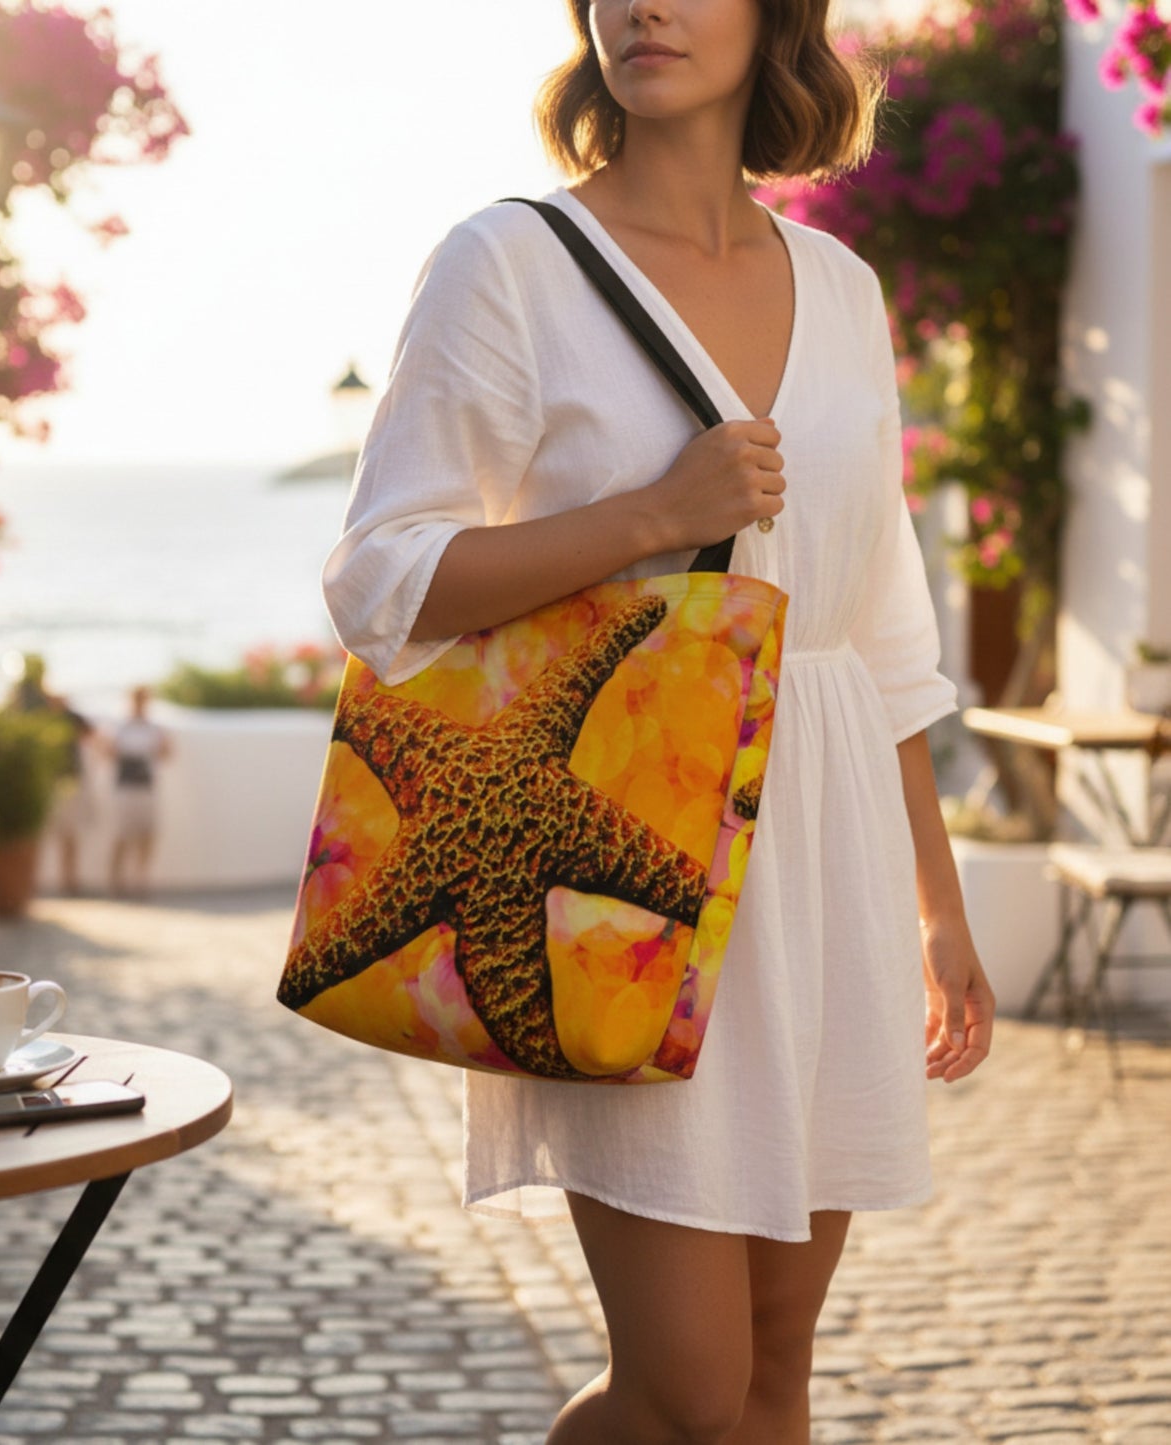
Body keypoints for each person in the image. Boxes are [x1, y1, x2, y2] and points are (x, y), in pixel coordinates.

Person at [319, 2, 996, 1441]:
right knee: (686, 1389)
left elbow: (878, 634)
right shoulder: (505, 263)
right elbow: (383, 578)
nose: (641, 3)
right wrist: (650, 516)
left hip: (820, 860)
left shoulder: (842, 286)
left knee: (772, 1374)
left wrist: (937, 909)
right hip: (621, 857)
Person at [12, 655, 96, 897]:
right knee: (41, 835)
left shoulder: (69, 716)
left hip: (70, 782)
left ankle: (70, 881)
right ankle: (34, 884)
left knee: (70, 836)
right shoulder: (39, 715)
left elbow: (90, 732)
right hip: (47, 783)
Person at [107, 685, 171, 899]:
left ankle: (141, 880)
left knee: (147, 835)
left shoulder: (154, 728)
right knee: (121, 835)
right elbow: (108, 752)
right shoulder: (120, 727)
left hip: (147, 788)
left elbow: (167, 753)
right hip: (125, 788)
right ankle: (115, 882)